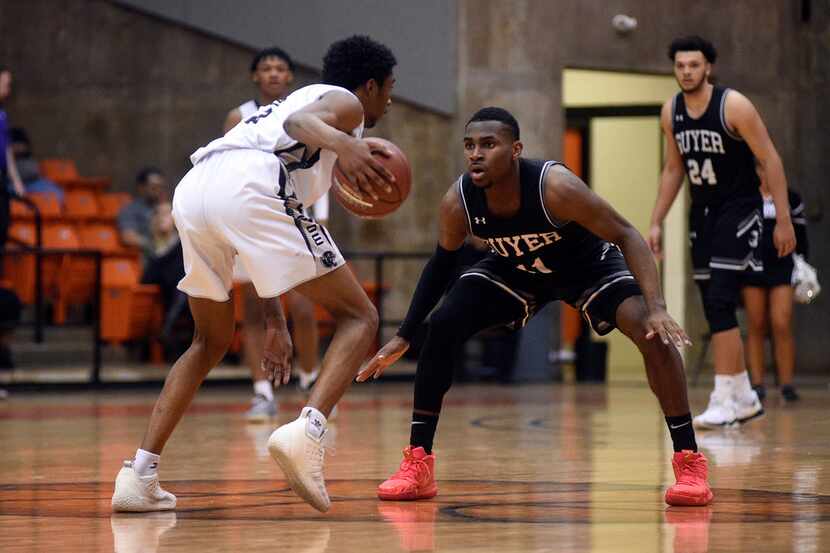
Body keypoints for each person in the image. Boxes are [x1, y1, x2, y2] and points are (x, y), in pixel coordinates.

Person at [358, 107, 713, 507]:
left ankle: (689, 462)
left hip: (586, 266)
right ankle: (418, 464)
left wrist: (657, 306)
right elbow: (441, 264)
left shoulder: (555, 187)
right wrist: (405, 335)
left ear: (516, 150)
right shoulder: (458, 201)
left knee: (652, 332)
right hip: (517, 268)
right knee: (442, 324)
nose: (476, 154)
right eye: (470, 145)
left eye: (489, 145)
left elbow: (628, 234)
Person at [111, 35, 398, 514]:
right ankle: (308, 433)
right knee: (361, 318)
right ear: (369, 85)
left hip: (198, 189)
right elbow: (299, 124)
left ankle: (139, 475)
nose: (388, 99)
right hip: (249, 183)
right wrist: (348, 145)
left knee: (209, 341)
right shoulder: (344, 103)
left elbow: (257, 239)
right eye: (389, 88)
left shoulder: (289, 109)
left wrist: (275, 321)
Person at [647, 36, 795, 430]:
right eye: (680, 66)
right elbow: (673, 169)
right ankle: (743, 396)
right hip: (704, 214)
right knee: (712, 301)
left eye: (694, 65)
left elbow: (770, 158)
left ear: (708, 67)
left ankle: (724, 395)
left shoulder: (734, 105)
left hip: (741, 209)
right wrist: (656, 220)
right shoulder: (671, 111)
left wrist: (782, 220)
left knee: (719, 300)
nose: (686, 72)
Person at [223, 46, 324, 422]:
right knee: (255, 312)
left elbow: (315, 167)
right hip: (252, 218)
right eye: (266, 68)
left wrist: (320, 221)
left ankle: (310, 383)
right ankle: (262, 392)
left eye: (281, 68)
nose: (273, 73)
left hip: (296, 217)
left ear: (290, 77)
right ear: (255, 76)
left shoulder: (305, 114)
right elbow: (227, 165)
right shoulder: (240, 116)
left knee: (302, 308)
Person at [741, 163, 809, 403]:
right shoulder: (745, 198)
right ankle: (757, 384)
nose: (766, 175)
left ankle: (787, 384)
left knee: (781, 322)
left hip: (782, 266)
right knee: (756, 323)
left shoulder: (791, 198)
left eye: (771, 170)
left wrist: (801, 266)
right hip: (752, 267)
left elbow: (801, 237)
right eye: (761, 170)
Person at [117, 167, 168, 255]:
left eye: (161, 187)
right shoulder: (130, 210)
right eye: (154, 187)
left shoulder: (165, 208)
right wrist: (153, 245)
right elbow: (128, 237)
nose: (158, 191)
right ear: (141, 188)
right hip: (145, 257)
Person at [9, 127, 64, 202]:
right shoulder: (6, 157)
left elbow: (33, 172)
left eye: (20, 144)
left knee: (57, 192)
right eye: (15, 144)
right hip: (10, 184)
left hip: (32, 183)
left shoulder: (28, 158)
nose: (18, 147)